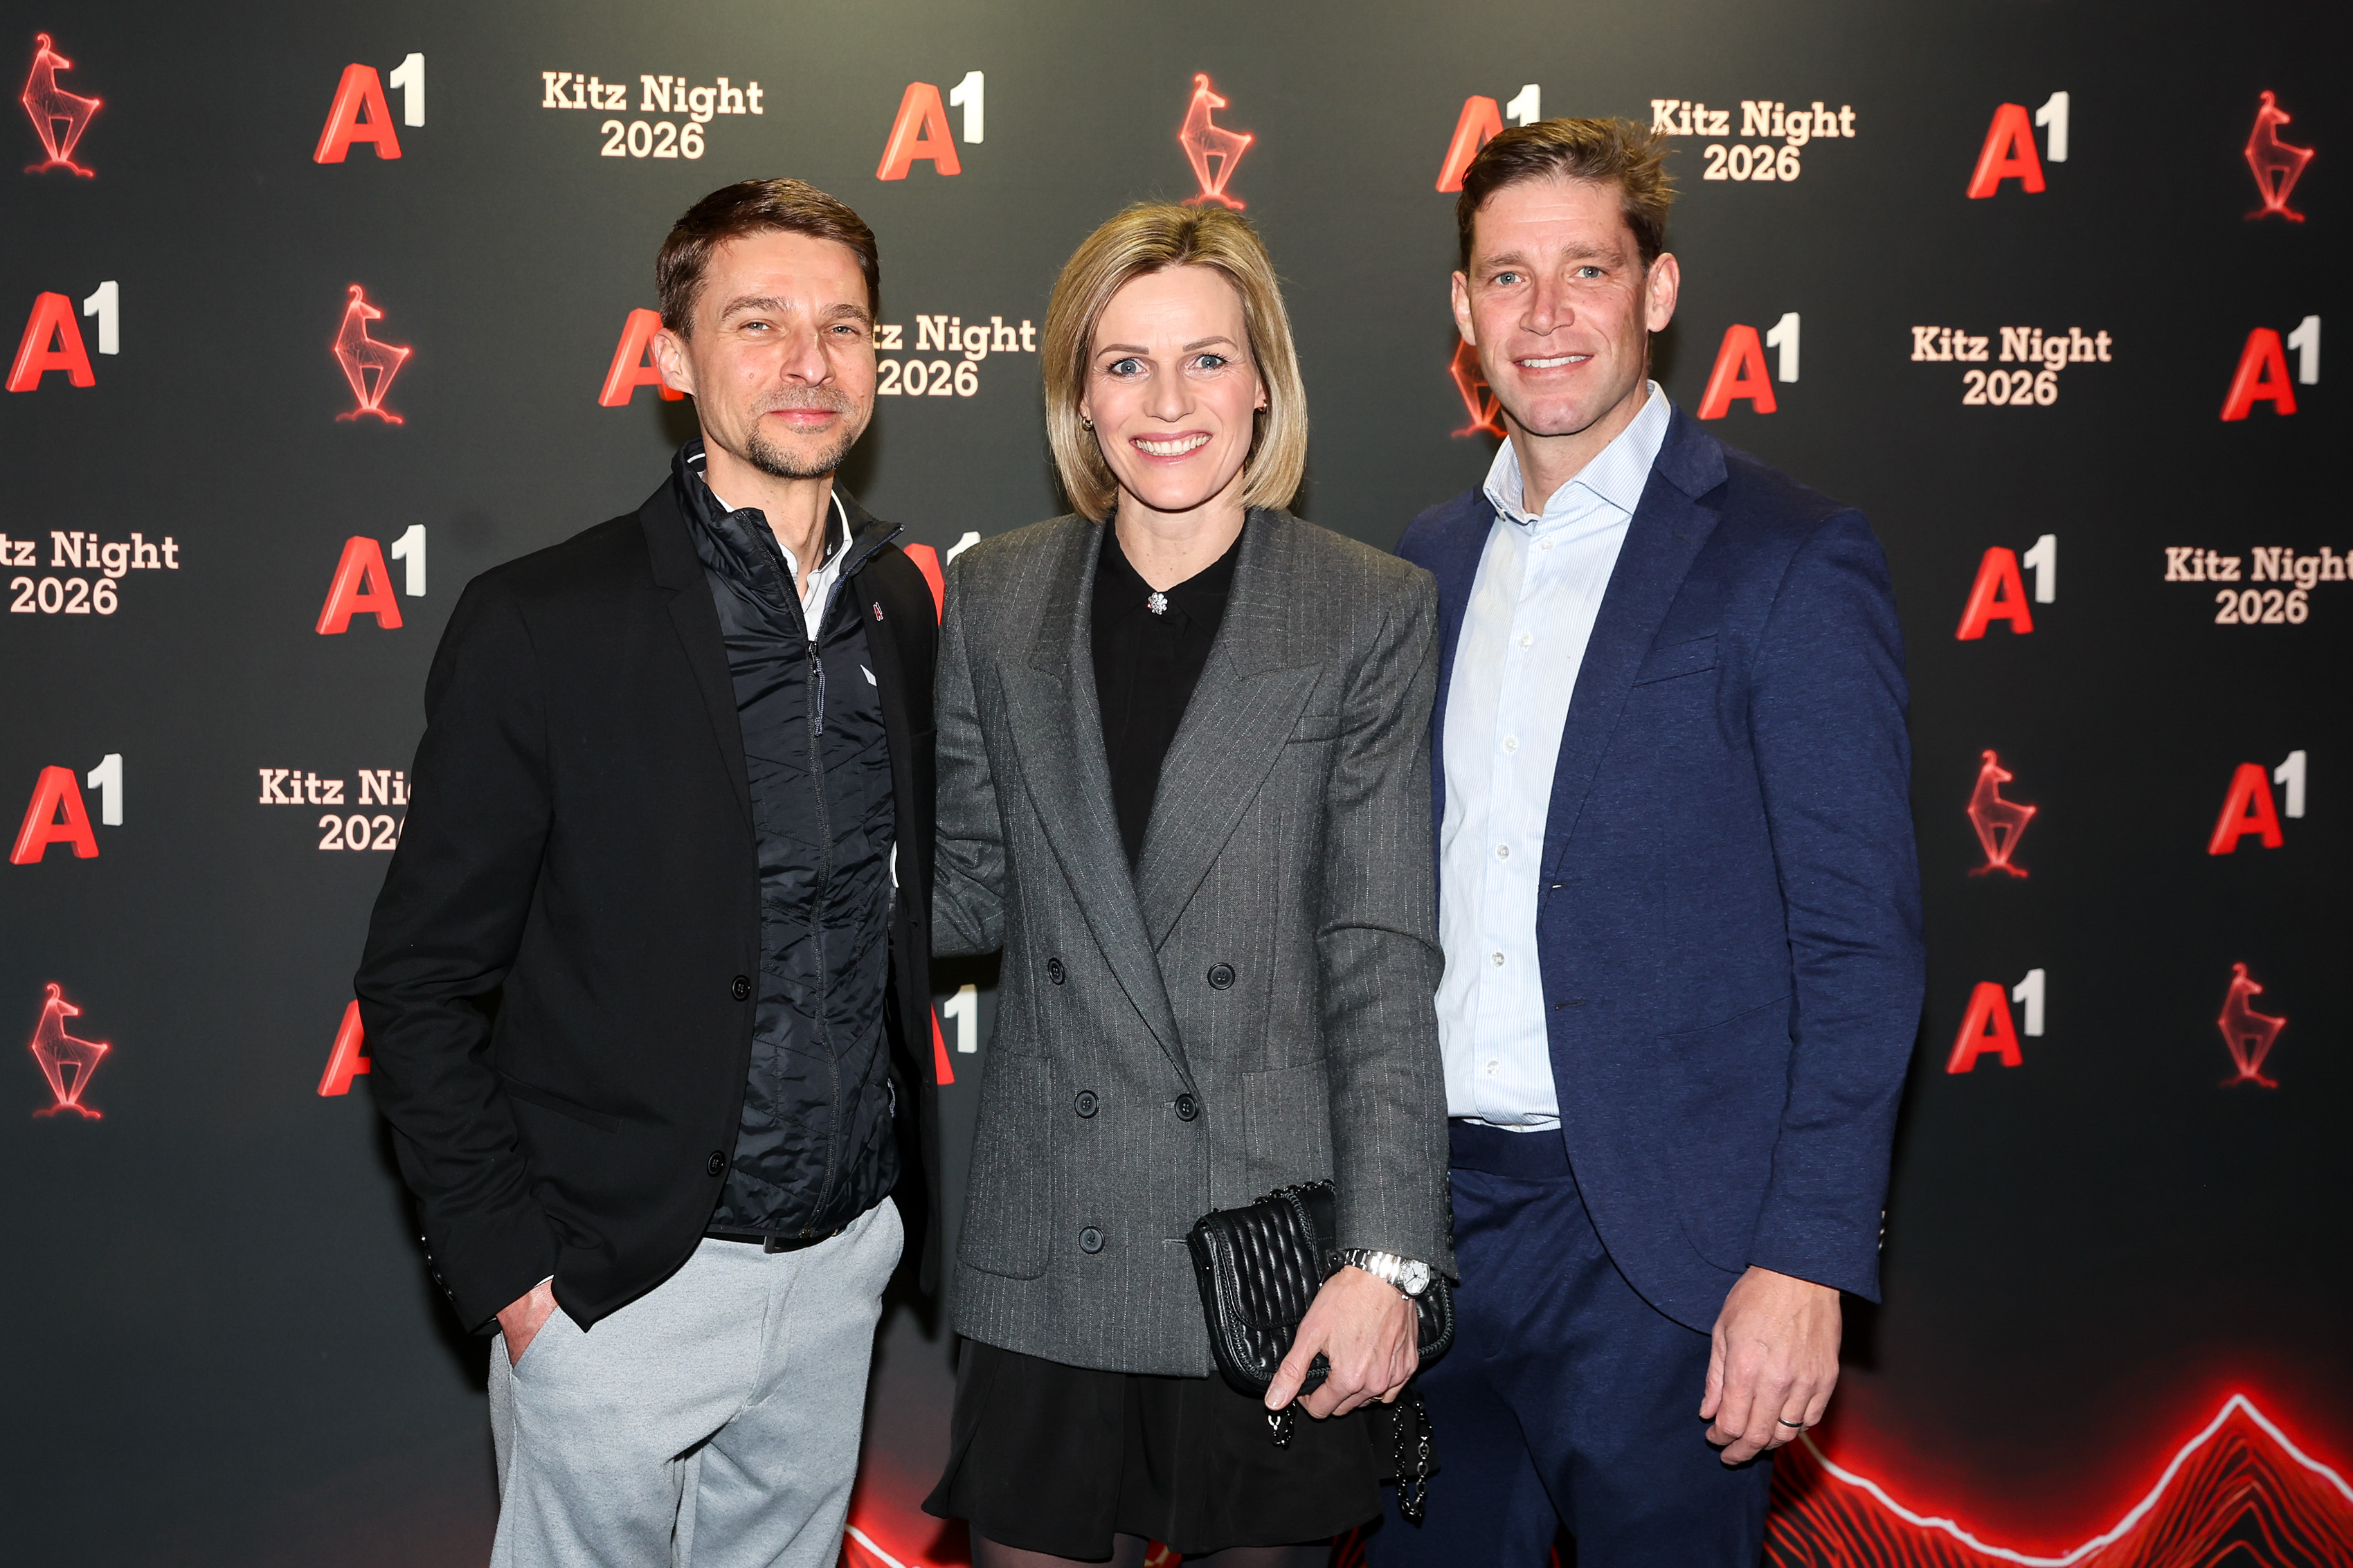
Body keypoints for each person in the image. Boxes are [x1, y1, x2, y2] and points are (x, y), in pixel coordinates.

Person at [353, 178, 940, 1568]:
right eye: (759, 322)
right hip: (619, 1284)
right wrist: (516, 1279)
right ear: (672, 356)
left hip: (840, 1268)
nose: (809, 359)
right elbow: (419, 980)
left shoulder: (899, 607)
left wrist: (877, 1228)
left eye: (843, 325)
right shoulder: (543, 620)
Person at [1367, 120, 1925, 1567]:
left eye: (1587, 270)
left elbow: (1858, 944)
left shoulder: (1788, 553)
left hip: (1665, 1254)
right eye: (1507, 276)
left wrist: (1804, 1254)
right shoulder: (1422, 563)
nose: (1544, 314)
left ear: (1657, 290)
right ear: (1463, 309)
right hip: (1433, 1235)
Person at [922, 204, 1452, 1568]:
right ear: (1079, 397)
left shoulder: (1364, 608)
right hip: (1051, 1238)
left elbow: (1380, 956)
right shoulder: (994, 598)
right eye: (1126, 364)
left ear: (1263, 381)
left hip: (1263, 1252)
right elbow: (962, 887)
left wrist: (1387, 1257)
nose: (1168, 403)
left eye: (1206, 359)